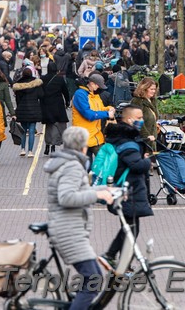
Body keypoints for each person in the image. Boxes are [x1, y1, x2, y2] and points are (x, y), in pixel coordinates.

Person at [44, 127, 114, 310]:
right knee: (94, 279)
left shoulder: (66, 163)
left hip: (68, 228)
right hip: (68, 231)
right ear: (83, 146)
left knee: (90, 279)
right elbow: (66, 197)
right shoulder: (73, 166)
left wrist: (104, 190)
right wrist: (98, 196)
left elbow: (79, 191)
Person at [102, 105, 153, 265]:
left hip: (125, 189)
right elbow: (136, 165)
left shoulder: (119, 137)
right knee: (131, 229)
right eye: (138, 118)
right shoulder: (128, 142)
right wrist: (146, 161)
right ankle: (118, 261)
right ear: (129, 119)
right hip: (129, 190)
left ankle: (119, 261)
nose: (141, 121)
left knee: (130, 229)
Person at [71, 74, 115, 160]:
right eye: (97, 85)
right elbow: (88, 114)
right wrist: (107, 114)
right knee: (86, 168)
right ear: (91, 83)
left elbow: (99, 108)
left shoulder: (94, 94)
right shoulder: (80, 94)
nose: (99, 88)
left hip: (95, 136)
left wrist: (108, 108)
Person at [13, 68, 44, 158]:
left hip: (22, 109)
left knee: (23, 130)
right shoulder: (36, 84)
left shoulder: (18, 85)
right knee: (31, 130)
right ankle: (30, 151)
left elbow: (17, 99)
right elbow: (41, 95)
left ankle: (22, 149)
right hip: (34, 109)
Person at [41, 61, 70, 156]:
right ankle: (53, 145)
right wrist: (67, 101)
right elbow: (65, 91)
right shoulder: (60, 79)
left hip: (46, 104)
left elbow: (40, 92)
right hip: (58, 104)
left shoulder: (43, 78)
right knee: (57, 125)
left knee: (48, 126)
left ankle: (47, 145)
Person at [130, 77, 159, 152]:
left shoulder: (153, 101)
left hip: (152, 140)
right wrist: (146, 135)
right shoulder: (137, 101)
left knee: (152, 162)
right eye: (151, 89)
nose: (153, 91)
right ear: (144, 89)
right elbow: (136, 120)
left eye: (154, 89)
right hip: (142, 140)